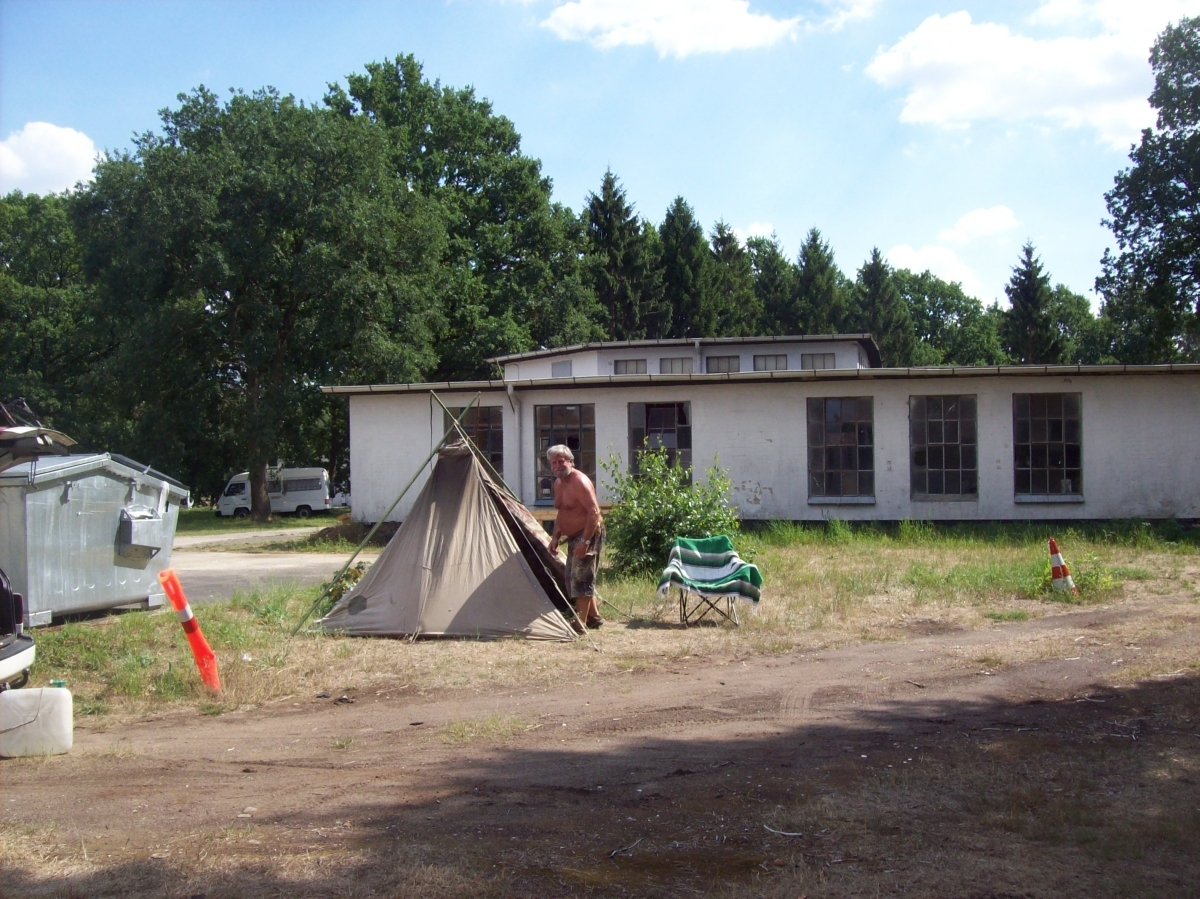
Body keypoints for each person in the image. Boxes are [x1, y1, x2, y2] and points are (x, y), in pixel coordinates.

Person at [546, 445, 604, 629]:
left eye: (561, 461)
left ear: (571, 461)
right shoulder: (558, 483)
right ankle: (594, 617)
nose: (558, 465)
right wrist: (555, 536)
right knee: (573, 576)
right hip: (573, 536)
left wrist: (585, 542)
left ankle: (581, 623)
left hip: (589, 533)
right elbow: (562, 512)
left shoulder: (580, 481)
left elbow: (594, 512)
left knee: (581, 577)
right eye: (554, 462)